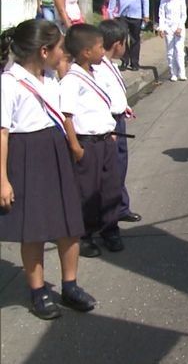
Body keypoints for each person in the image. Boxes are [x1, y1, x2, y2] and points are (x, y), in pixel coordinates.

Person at [0, 19, 96, 320]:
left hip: (55, 149)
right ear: (44, 51)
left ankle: (70, 286)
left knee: (70, 224)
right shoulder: (9, 83)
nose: (63, 53)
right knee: (34, 230)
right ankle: (38, 291)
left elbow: (63, 114)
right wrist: (2, 180)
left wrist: (73, 147)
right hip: (27, 154)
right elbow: (2, 133)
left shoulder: (51, 78)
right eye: (59, 48)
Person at [59, 24, 124, 258]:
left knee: (110, 187)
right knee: (88, 191)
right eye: (98, 47)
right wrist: (76, 147)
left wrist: (112, 130)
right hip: (87, 142)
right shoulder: (72, 80)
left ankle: (110, 228)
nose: (102, 51)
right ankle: (85, 234)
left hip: (105, 140)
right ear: (86, 52)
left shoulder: (97, 73)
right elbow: (66, 116)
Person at [94, 19, 142, 224]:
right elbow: (101, 100)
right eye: (125, 43)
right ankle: (108, 218)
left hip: (118, 119)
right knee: (112, 171)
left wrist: (124, 107)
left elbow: (114, 93)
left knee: (120, 167)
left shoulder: (110, 64)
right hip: (109, 124)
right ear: (117, 44)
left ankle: (122, 207)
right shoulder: (98, 69)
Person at [108, 0, 150, 71]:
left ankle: (135, 62)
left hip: (136, 15)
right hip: (122, 15)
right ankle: (124, 60)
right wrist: (110, 13)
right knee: (122, 38)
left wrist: (146, 14)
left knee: (135, 39)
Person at [157, 0, 188, 81]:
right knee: (170, 52)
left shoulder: (181, 1)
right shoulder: (163, 2)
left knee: (179, 51)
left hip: (178, 27)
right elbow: (161, 16)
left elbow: (183, 15)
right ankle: (173, 73)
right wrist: (161, 28)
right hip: (168, 28)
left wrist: (179, 27)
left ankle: (181, 73)